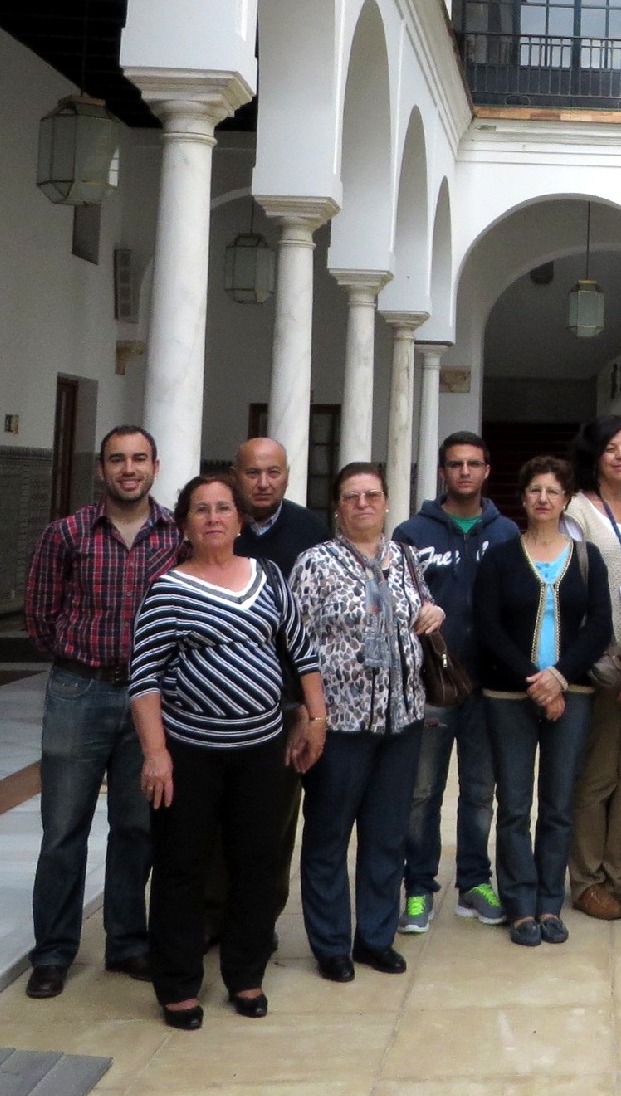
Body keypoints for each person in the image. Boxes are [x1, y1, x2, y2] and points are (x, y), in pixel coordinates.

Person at [129, 473, 327, 1029]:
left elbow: (302, 649)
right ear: (185, 523)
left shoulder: (267, 577)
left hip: (262, 752)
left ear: (239, 520)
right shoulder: (168, 589)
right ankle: (177, 985)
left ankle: (245, 973)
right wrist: (156, 752)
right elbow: (143, 679)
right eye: (201, 510)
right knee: (181, 868)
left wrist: (317, 718)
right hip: (190, 755)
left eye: (223, 508)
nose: (213, 518)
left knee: (257, 866)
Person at [22, 424, 183, 999]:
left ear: (155, 467)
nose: (128, 469)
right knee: (63, 828)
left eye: (139, 458)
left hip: (149, 699)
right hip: (79, 692)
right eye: (117, 459)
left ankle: (127, 942)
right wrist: (80, 657)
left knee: (137, 826)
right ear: (102, 469)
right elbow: (40, 616)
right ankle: (53, 953)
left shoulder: (176, 537)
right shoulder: (65, 534)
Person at [288, 462, 445, 981]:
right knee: (329, 834)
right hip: (340, 725)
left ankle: (375, 938)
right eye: (351, 496)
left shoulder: (405, 557)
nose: (362, 504)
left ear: (385, 502)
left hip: (400, 722)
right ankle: (331, 944)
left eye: (371, 495)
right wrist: (309, 716)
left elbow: (420, 611)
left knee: (386, 836)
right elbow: (294, 643)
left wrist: (433, 611)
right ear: (337, 505)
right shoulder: (315, 564)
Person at [474, 457, 612, 947]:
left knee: (557, 805)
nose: (543, 499)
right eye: (534, 490)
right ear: (523, 497)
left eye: (553, 491)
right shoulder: (500, 558)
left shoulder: (587, 557)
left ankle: (550, 903)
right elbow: (487, 628)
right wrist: (535, 682)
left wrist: (559, 678)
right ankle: (520, 905)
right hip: (508, 695)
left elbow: (600, 628)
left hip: (571, 694)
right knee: (513, 805)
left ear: (566, 499)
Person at [395, 430, 520, 933]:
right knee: (422, 793)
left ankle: (474, 882)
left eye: (473, 463)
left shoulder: (507, 533)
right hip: (431, 687)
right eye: (454, 464)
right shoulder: (411, 533)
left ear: (487, 470)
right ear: (443, 472)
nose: (464, 471)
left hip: (489, 687)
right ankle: (419, 888)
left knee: (478, 791)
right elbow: (397, 601)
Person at [564, 414, 621, 922]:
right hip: (598, 662)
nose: (620, 456)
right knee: (597, 776)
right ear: (594, 455)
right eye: (610, 448)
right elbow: (572, 590)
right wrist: (605, 661)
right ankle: (586, 880)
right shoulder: (576, 510)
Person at [232, 437, 330, 577]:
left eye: (273, 473)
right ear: (234, 476)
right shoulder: (218, 525)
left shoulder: (312, 530)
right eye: (253, 473)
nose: (263, 484)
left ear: (287, 476)